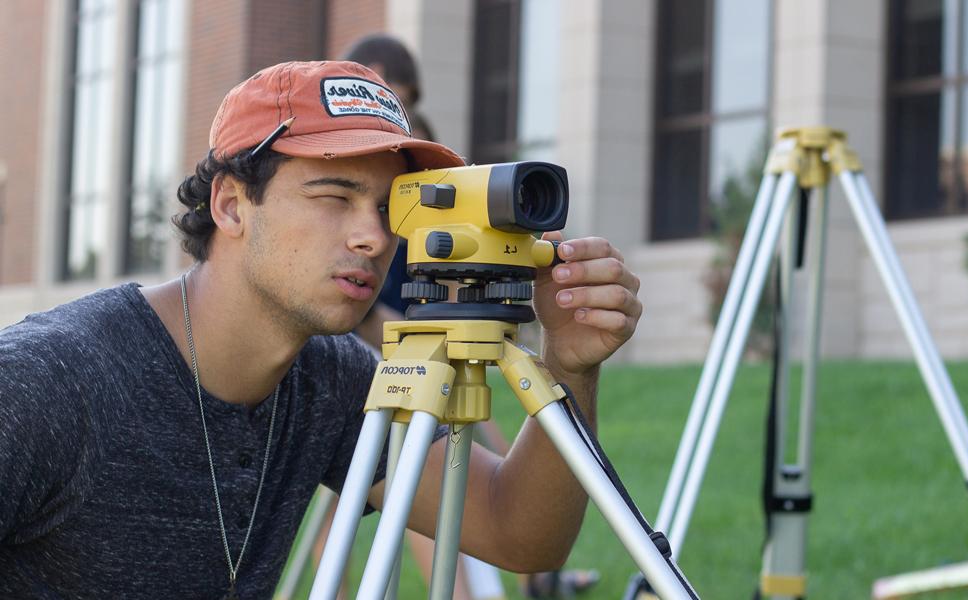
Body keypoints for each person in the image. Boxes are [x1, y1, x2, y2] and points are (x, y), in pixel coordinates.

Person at [0, 60, 643, 598]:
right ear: (229, 205)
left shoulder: (333, 378)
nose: (373, 236)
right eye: (333, 197)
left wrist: (570, 365)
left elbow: (518, 533)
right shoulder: (48, 382)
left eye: (391, 208)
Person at [341, 35, 599, 599]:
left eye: (402, 101)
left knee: (488, 449)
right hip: (376, 339)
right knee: (394, 481)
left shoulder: (420, 160)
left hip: (425, 322)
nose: (392, 116)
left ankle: (538, 578)